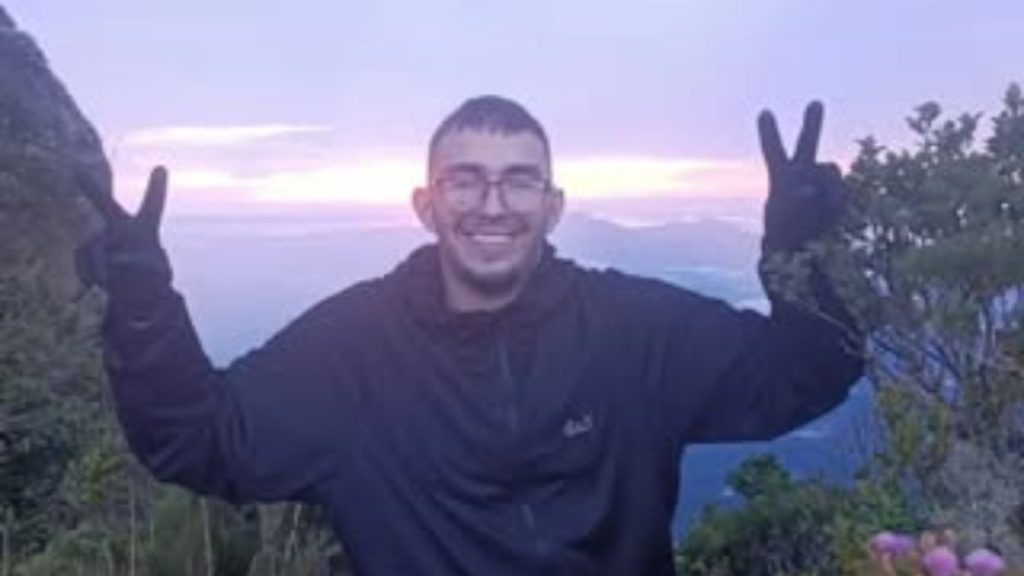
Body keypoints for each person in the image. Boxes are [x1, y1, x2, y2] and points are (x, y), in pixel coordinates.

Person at [77, 95, 864, 575]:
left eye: (519, 178)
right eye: (467, 179)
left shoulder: (634, 330)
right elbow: (199, 438)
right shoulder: (353, 350)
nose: (494, 203)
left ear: (553, 206)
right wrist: (145, 306)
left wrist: (797, 257)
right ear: (425, 204)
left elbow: (808, 372)